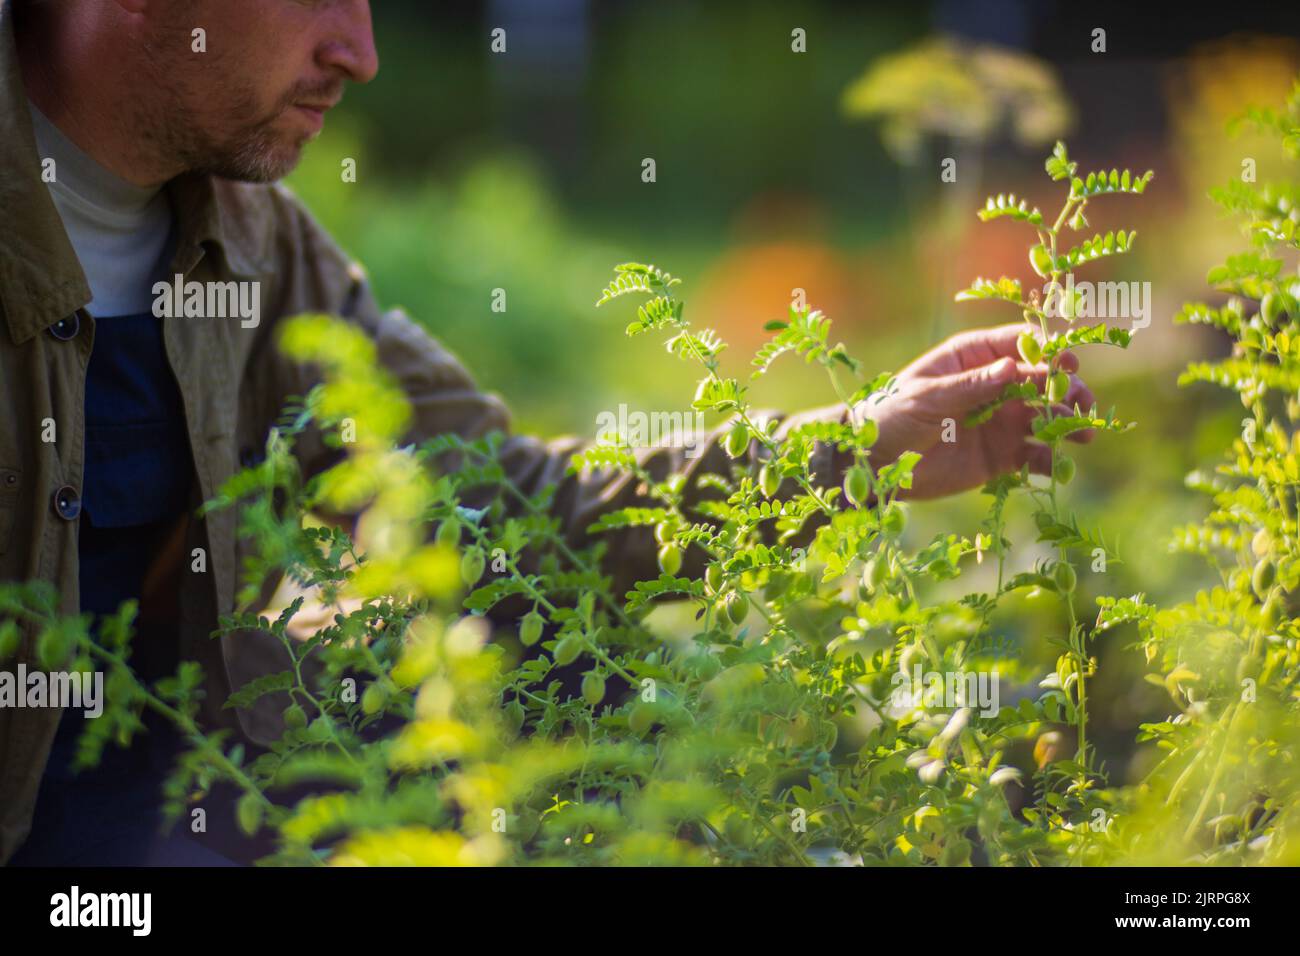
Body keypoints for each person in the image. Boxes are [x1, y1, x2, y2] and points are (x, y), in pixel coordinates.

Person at [0, 0, 1094, 865]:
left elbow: (501, 508)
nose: (362, 52)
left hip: (158, 832)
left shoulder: (253, 248)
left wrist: (857, 447)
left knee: (588, 691)